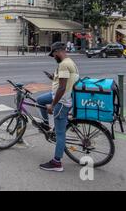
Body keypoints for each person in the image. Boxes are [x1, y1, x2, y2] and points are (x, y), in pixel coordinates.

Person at [37, 42, 80, 172]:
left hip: (61, 101)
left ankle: (57, 163)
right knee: (40, 100)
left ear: (57, 52)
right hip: (61, 96)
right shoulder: (70, 62)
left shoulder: (63, 65)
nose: (53, 57)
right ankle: (45, 124)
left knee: (60, 133)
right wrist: (52, 77)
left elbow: (62, 87)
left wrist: (52, 105)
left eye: (53, 54)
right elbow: (63, 82)